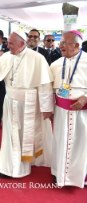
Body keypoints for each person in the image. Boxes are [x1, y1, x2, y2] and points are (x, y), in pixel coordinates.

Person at [0, 31, 54, 178]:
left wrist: (47, 108)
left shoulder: (37, 58)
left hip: (29, 102)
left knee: (27, 135)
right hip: (10, 100)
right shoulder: (7, 56)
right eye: (8, 43)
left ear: (22, 44)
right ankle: (11, 167)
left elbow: (45, 85)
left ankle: (27, 163)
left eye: (11, 43)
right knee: (11, 135)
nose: (7, 46)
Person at [50, 30, 87, 188]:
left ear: (77, 45)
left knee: (82, 143)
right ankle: (59, 172)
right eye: (61, 43)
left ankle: (82, 175)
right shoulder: (56, 64)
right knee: (60, 140)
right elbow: (49, 90)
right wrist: (48, 109)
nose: (60, 46)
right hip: (61, 112)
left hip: (83, 113)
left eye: (64, 43)